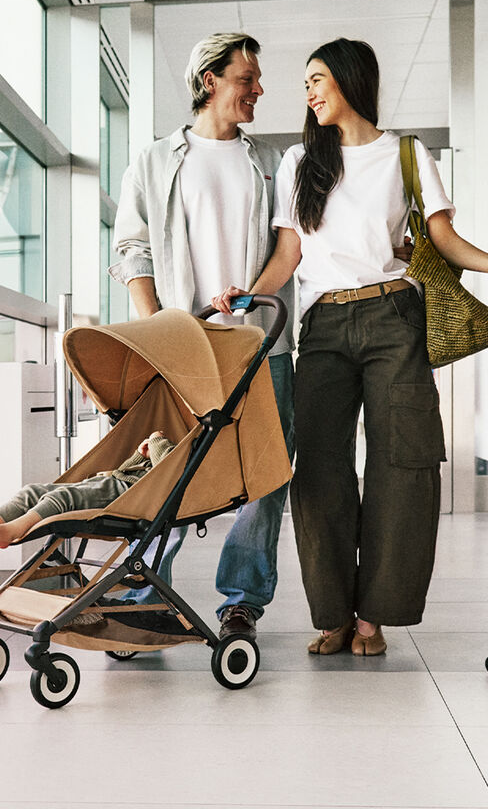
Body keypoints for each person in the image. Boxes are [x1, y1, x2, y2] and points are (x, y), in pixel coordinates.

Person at [212, 37, 488, 657]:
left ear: (350, 79)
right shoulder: (299, 161)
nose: (308, 93)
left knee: (404, 464)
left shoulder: (406, 154)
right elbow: (289, 253)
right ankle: (333, 613)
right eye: (306, 84)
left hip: (395, 316)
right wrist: (250, 295)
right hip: (324, 326)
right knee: (318, 469)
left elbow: (442, 238)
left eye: (316, 79)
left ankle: (374, 616)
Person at [109, 32, 297, 640]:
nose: (259, 89)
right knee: (168, 467)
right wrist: (158, 331)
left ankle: (242, 600)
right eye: (247, 79)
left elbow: (290, 244)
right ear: (210, 79)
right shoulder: (154, 160)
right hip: (186, 346)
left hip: (262, 343)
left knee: (265, 473)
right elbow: (132, 249)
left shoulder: (271, 161)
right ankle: (144, 593)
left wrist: (252, 298)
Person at [0, 431, 174, 548]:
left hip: (127, 495)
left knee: (63, 497)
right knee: (32, 491)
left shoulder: (177, 458)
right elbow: (123, 471)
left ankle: (13, 530)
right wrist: (139, 456)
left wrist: (156, 440)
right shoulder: (153, 462)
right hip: (112, 482)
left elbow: (168, 468)